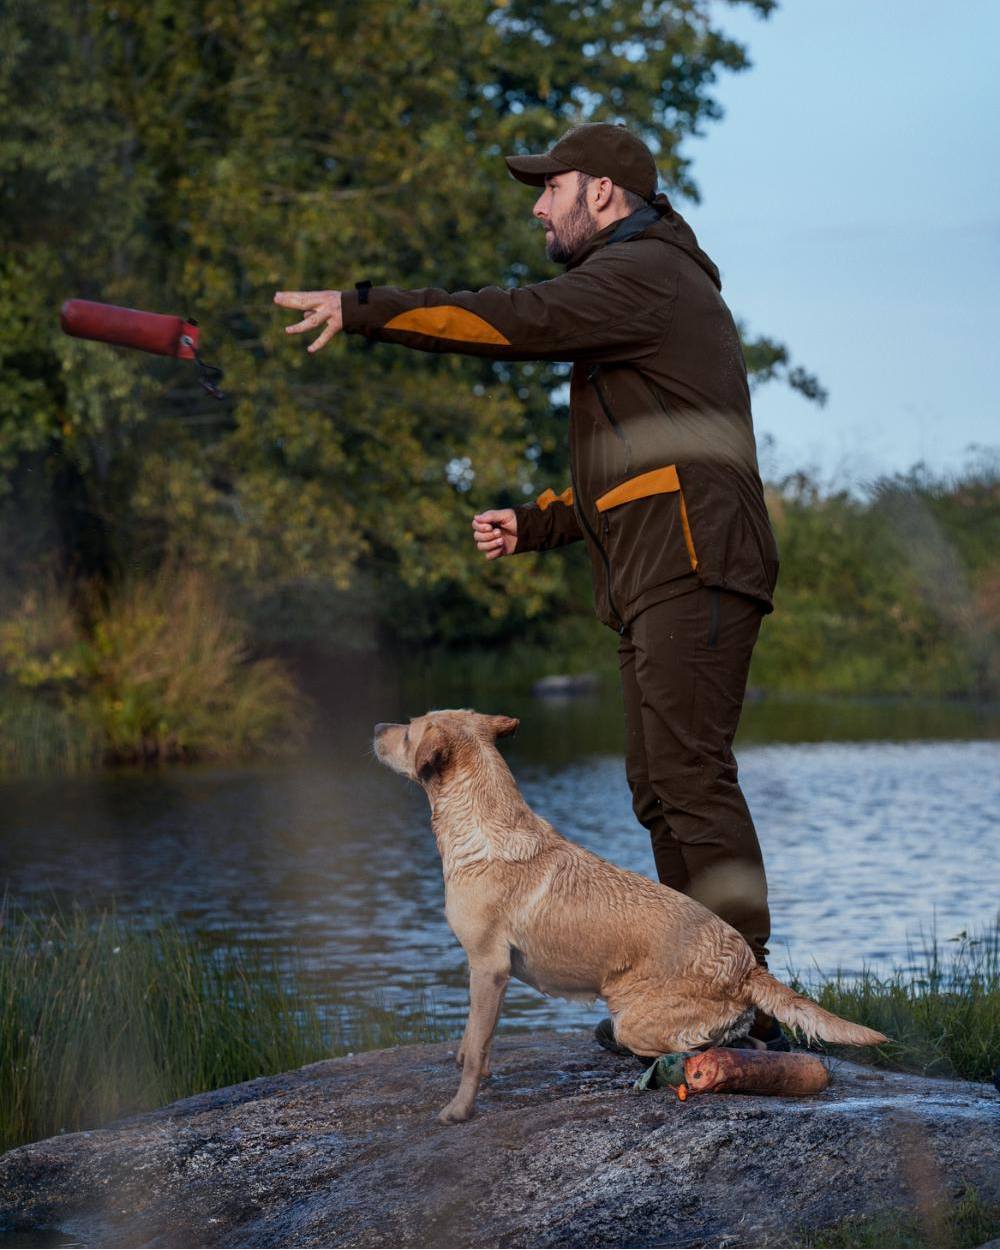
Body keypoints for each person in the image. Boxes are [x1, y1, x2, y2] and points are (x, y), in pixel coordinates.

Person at [274, 122, 786, 1050]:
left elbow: (513, 321)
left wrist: (370, 308)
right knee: (659, 786)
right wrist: (543, 521)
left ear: (603, 193)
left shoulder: (646, 275)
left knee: (690, 779)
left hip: (696, 560)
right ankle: (696, 984)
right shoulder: (645, 282)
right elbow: (638, 458)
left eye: (551, 187)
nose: (537, 205)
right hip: (662, 563)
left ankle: (742, 987)